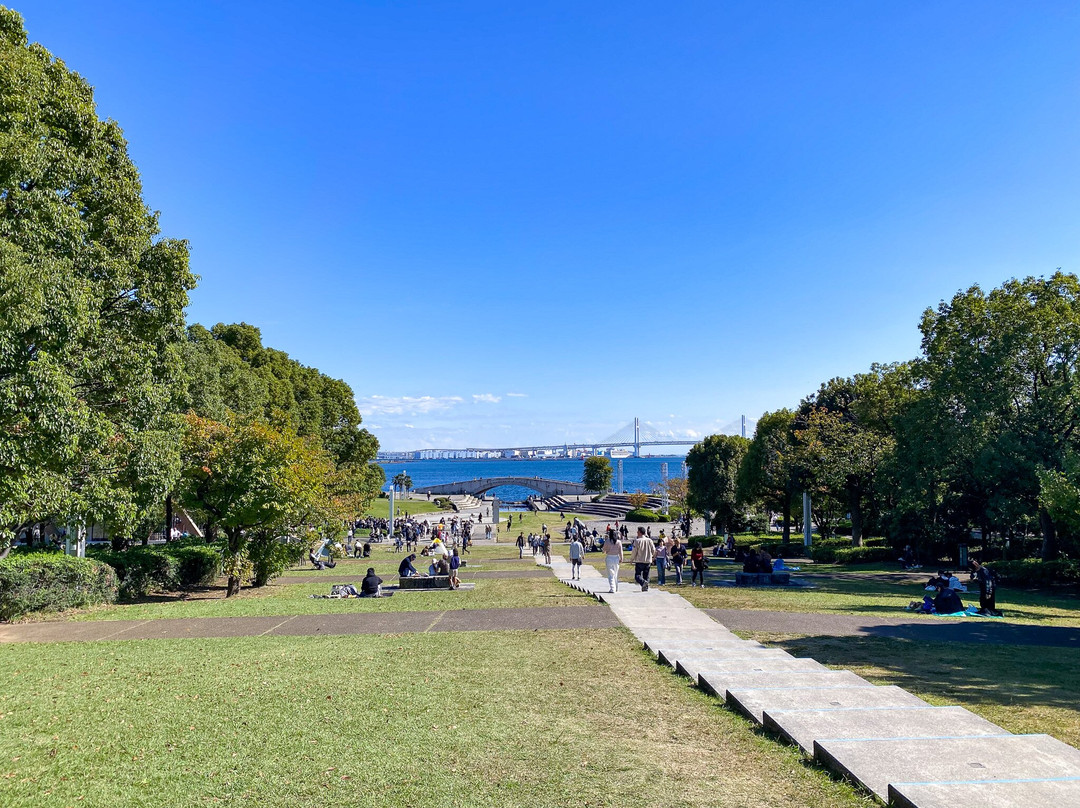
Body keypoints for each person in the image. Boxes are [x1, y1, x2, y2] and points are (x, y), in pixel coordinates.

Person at [630, 527, 655, 592]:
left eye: (637, 532)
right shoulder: (649, 540)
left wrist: (632, 559)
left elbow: (634, 551)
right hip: (648, 561)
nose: (637, 533)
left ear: (640, 532)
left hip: (640, 560)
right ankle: (645, 587)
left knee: (637, 576)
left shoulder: (637, 541)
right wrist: (652, 557)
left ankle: (643, 582)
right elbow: (654, 550)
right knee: (646, 575)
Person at [603, 530, 623, 594]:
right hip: (616, 558)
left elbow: (603, 550)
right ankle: (616, 587)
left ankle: (612, 588)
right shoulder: (618, 542)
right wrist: (621, 558)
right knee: (615, 573)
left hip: (609, 557)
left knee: (611, 574)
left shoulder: (607, 541)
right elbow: (621, 551)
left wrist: (603, 551)